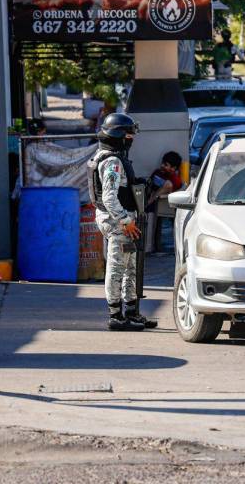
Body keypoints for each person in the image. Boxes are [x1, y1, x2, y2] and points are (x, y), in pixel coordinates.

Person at [88, 113, 154, 331]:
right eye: (127, 134)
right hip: (119, 222)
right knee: (118, 267)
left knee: (130, 267)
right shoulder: (113, 162)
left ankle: (131, 312)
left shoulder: (106, 156)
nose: (130, 139)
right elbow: (109, 197)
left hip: (122, 221)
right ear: (117, 136)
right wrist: (126, 221)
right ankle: (116, 315)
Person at [144, 151, 183, 254]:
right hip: (153, 204)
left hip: (163, 206)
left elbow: (170, 187)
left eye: (166, 165)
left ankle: (150, 246)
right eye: (163, 163)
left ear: (173, 168)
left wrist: (154, 197)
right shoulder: (158, 173)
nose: (162, 166)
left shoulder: (175, 180)